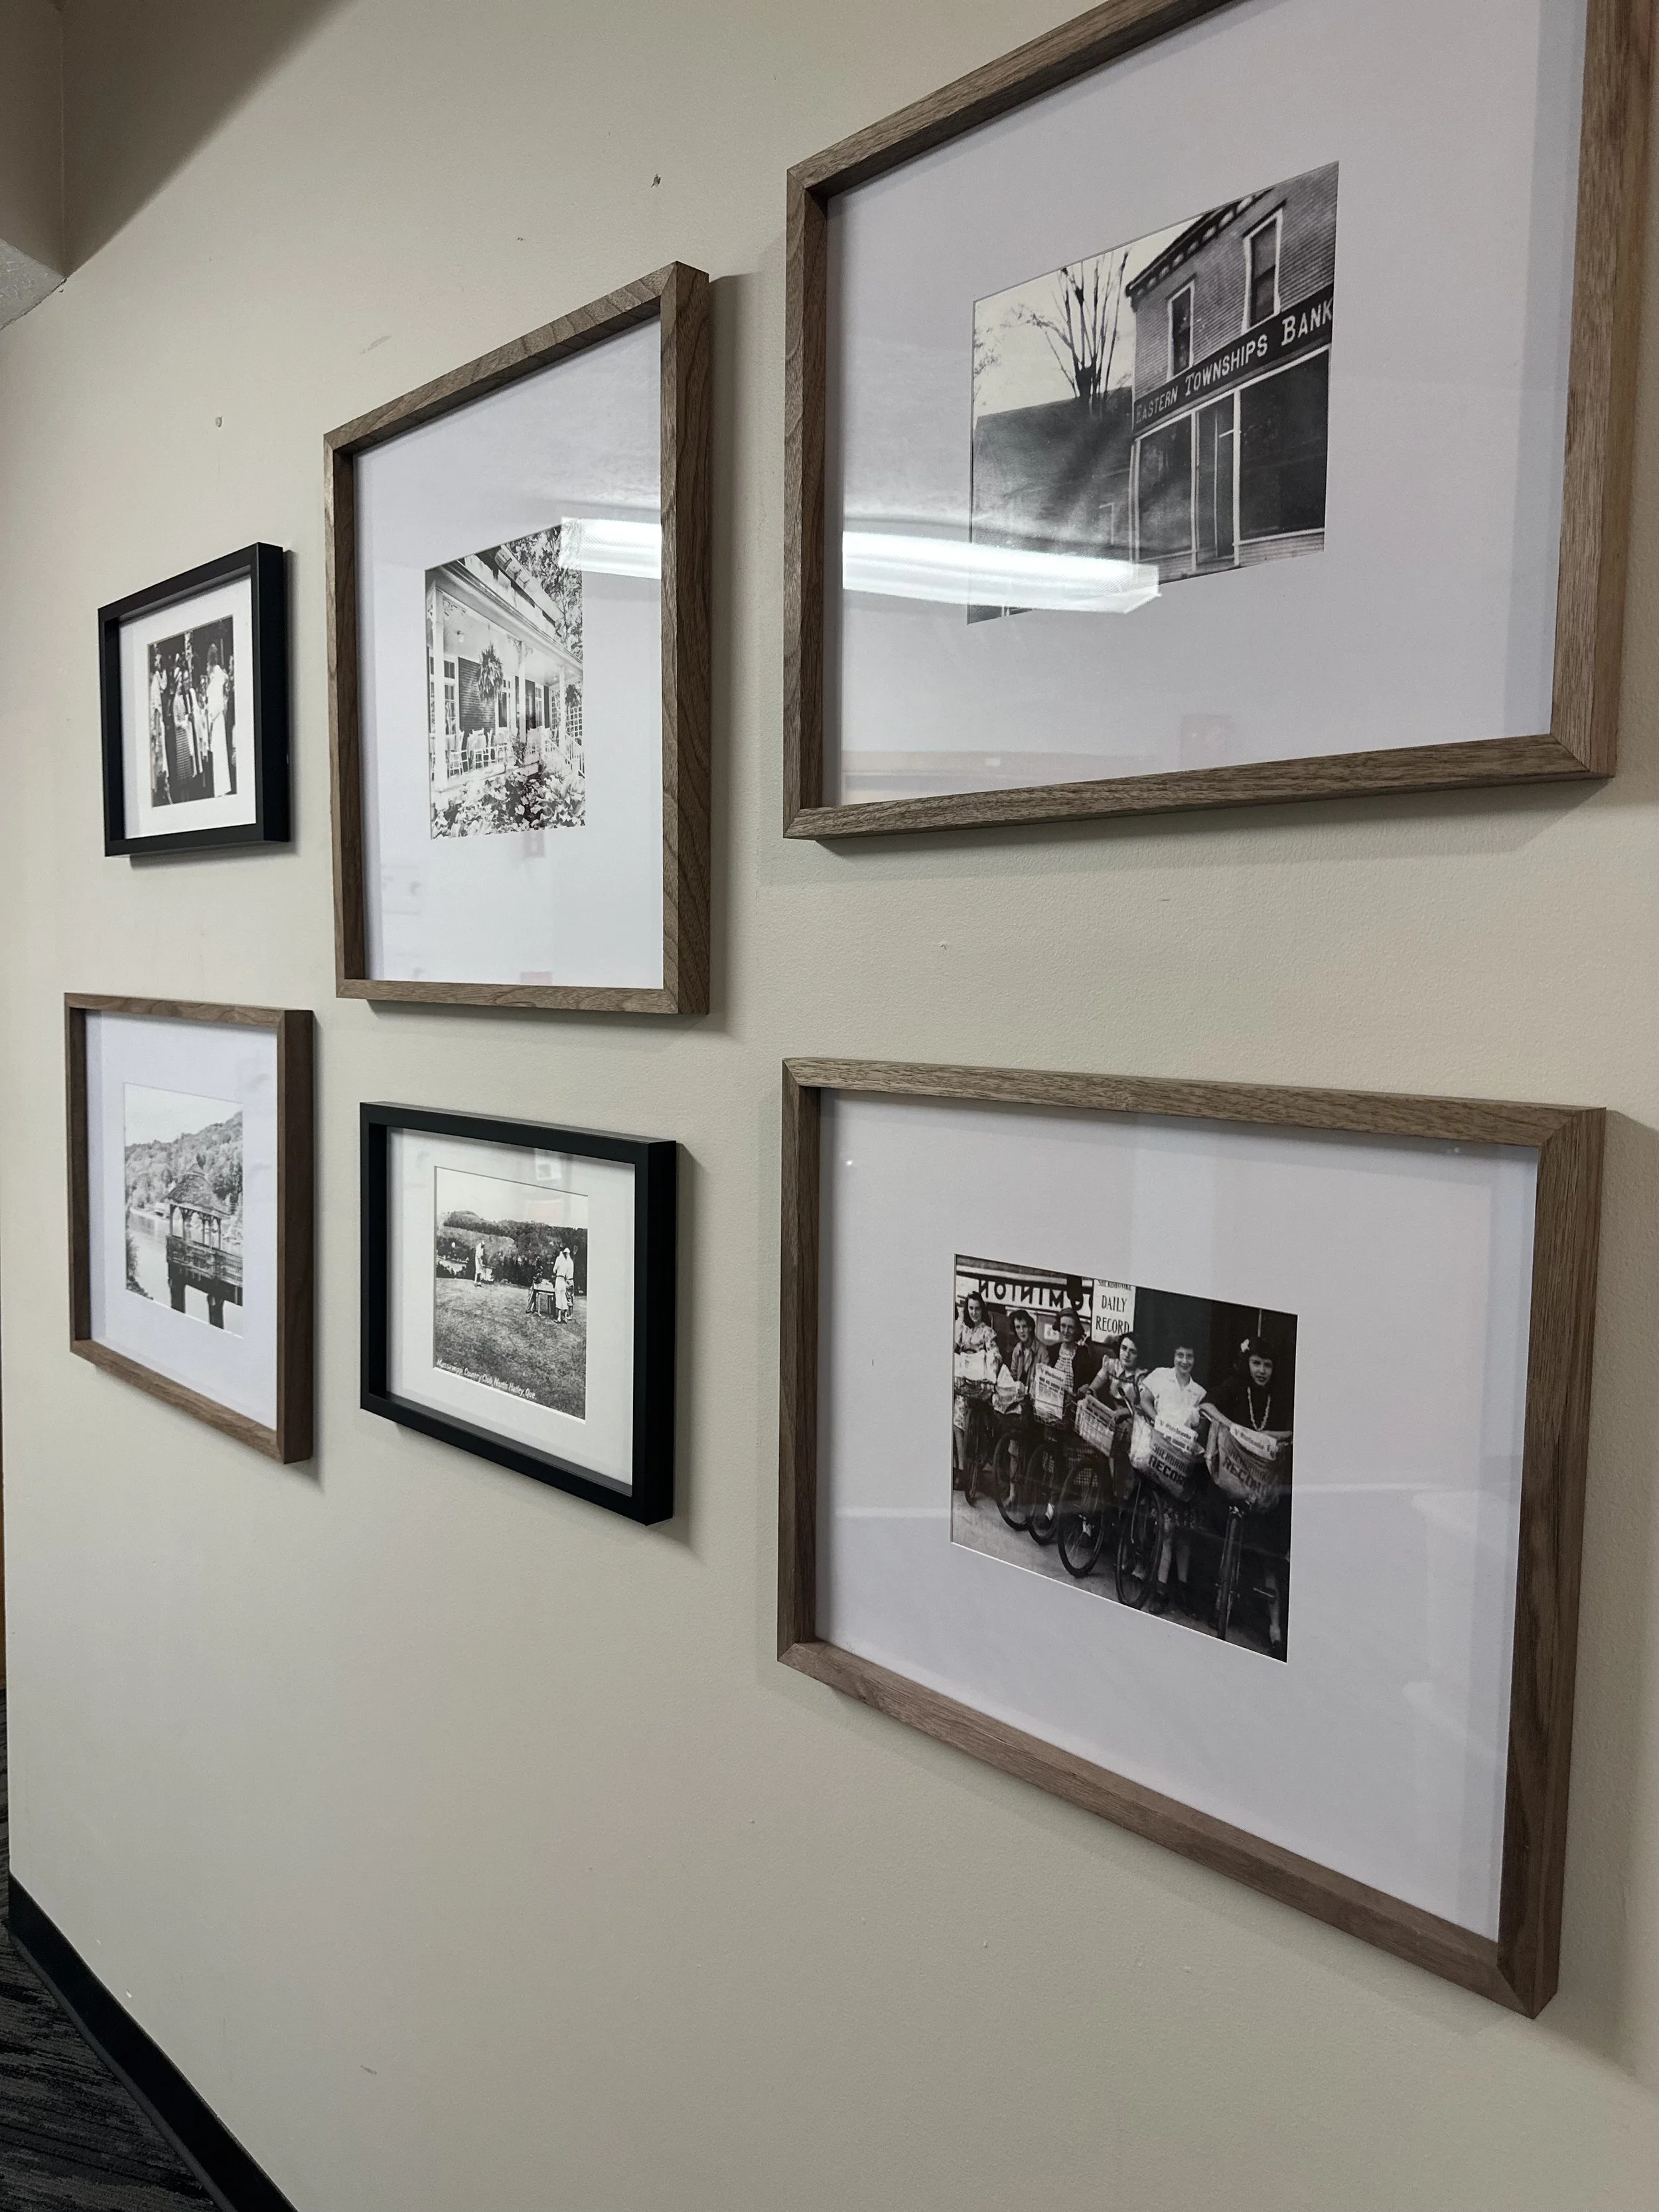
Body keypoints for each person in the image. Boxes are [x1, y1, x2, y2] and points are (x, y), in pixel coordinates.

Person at [952, 1290, 1000, 1485]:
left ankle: (963, 1469)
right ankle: (956, 1466)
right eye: (971, 1308)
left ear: (983, 1310)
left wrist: (991, 1367)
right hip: (962, 1383)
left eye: (977, 1308)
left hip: (978, 1384)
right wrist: (960, 1320)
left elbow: (995, 1354)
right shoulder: (963, 1329)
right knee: (953, 1419)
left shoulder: (987, 1331)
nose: (974, 1312)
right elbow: (953, 1349)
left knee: (960, 1418)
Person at [204, 642, 233, 797]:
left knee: (219, 751)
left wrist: (210, 716)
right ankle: (221, 787)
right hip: (216, 717)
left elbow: (216, 702)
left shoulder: (216, 675)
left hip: (216, 718)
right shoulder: (216, 675)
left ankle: (221, 788)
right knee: (218, 751)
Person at [552, 1239, 575, 1322]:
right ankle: (565, 1317)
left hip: (559, 1279)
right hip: (564, 1281)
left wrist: (557, 1270)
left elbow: (554, 1270)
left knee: (558, 1297)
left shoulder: (559, 1259)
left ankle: (559, 1318)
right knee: (564, 1299)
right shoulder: (568, 1261)